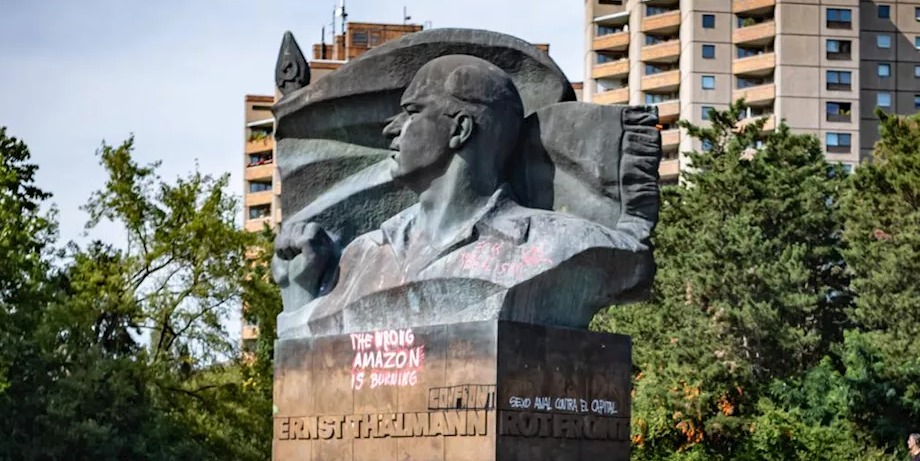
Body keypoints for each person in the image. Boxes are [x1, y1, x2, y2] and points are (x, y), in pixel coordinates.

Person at [272, 54, 656, 336]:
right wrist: (300, 293)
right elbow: (309, 357)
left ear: (460, 129)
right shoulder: (362, 256)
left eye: (411, 111)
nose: (392, 128)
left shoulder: (562, 245)